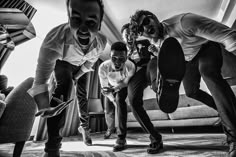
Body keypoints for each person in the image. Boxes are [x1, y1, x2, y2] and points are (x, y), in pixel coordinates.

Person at [130, 10, 236, 157]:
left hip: (206, 48)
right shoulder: (155, 41)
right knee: (190, 91)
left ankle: (233, 136)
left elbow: (228, 35)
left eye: (146, 22)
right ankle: (224, 110)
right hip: (189, 59)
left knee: (208, 73)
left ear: (154, 17)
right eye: (142, 30)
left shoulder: (184, 22)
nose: (146, 29)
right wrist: (156, 53)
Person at [27, 0, 108, 156]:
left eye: (91, 22)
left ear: (99, 24)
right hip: (63, 62)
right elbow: (40, 79)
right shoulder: (54, 39)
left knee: (82, 95)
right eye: (76, 19)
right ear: (69, 18)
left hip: (81, 66)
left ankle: (84, 127)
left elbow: (90, 61)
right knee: (63, 91)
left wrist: (77, 76)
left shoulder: (101, 42)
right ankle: (52, 146)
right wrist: (44, 106)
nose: (83, 29)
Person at [120, 23, 169, 154]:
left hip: (148, 68)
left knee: (153, 64)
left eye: (132, 34)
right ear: (122, 37)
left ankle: (160, 88)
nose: (130, 36)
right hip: (134, 76)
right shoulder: (120, 52)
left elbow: (157, 56)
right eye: (127, 35)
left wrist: (156, 52)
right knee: (134, 102)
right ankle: (156, 137)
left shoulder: (145, 42)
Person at [98, 41, 135, 151]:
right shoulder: (103, 67)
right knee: (108, 109)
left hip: (122, 86)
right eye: (114, 58)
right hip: (109, 86)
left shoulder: (131, 66)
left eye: (121, 59)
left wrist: (116, 99)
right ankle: (110, 129)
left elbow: (125, 83)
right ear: (109, 56)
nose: (117, 62)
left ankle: (121, 138)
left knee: (119, 101)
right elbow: (104, 88)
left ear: (126, 57)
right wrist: (111, 96)